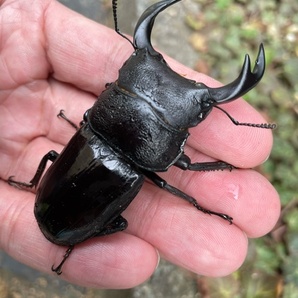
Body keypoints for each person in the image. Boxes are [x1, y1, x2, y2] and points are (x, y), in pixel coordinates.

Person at [0, 0, 280, 289]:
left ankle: (34, 189)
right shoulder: (97, 129)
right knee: (121, 223)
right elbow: (189, 165)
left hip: (68, 191)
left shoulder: (90, 126)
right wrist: (204, 194)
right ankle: (57, 216)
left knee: (56, 154)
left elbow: (89, 120)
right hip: (69, 215)